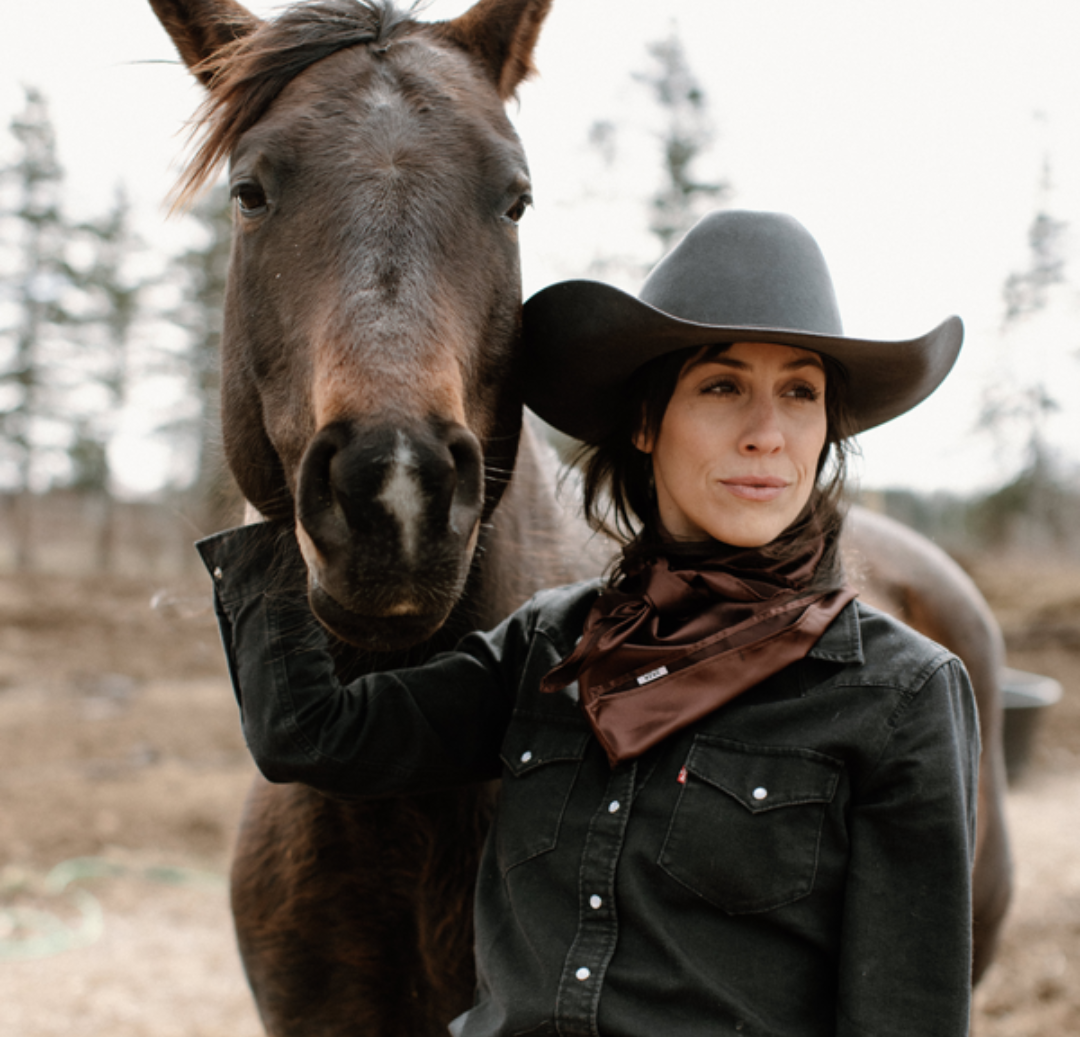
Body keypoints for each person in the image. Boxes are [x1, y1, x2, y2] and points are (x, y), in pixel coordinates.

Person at [198, 210, 979, 1036]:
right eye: (722, 387)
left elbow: (908, 1017)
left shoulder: (899, 694)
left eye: (800, 393)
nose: (766, 435)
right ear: (646, 424)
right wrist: (288, 462)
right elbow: (309, 735)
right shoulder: (549, 646)